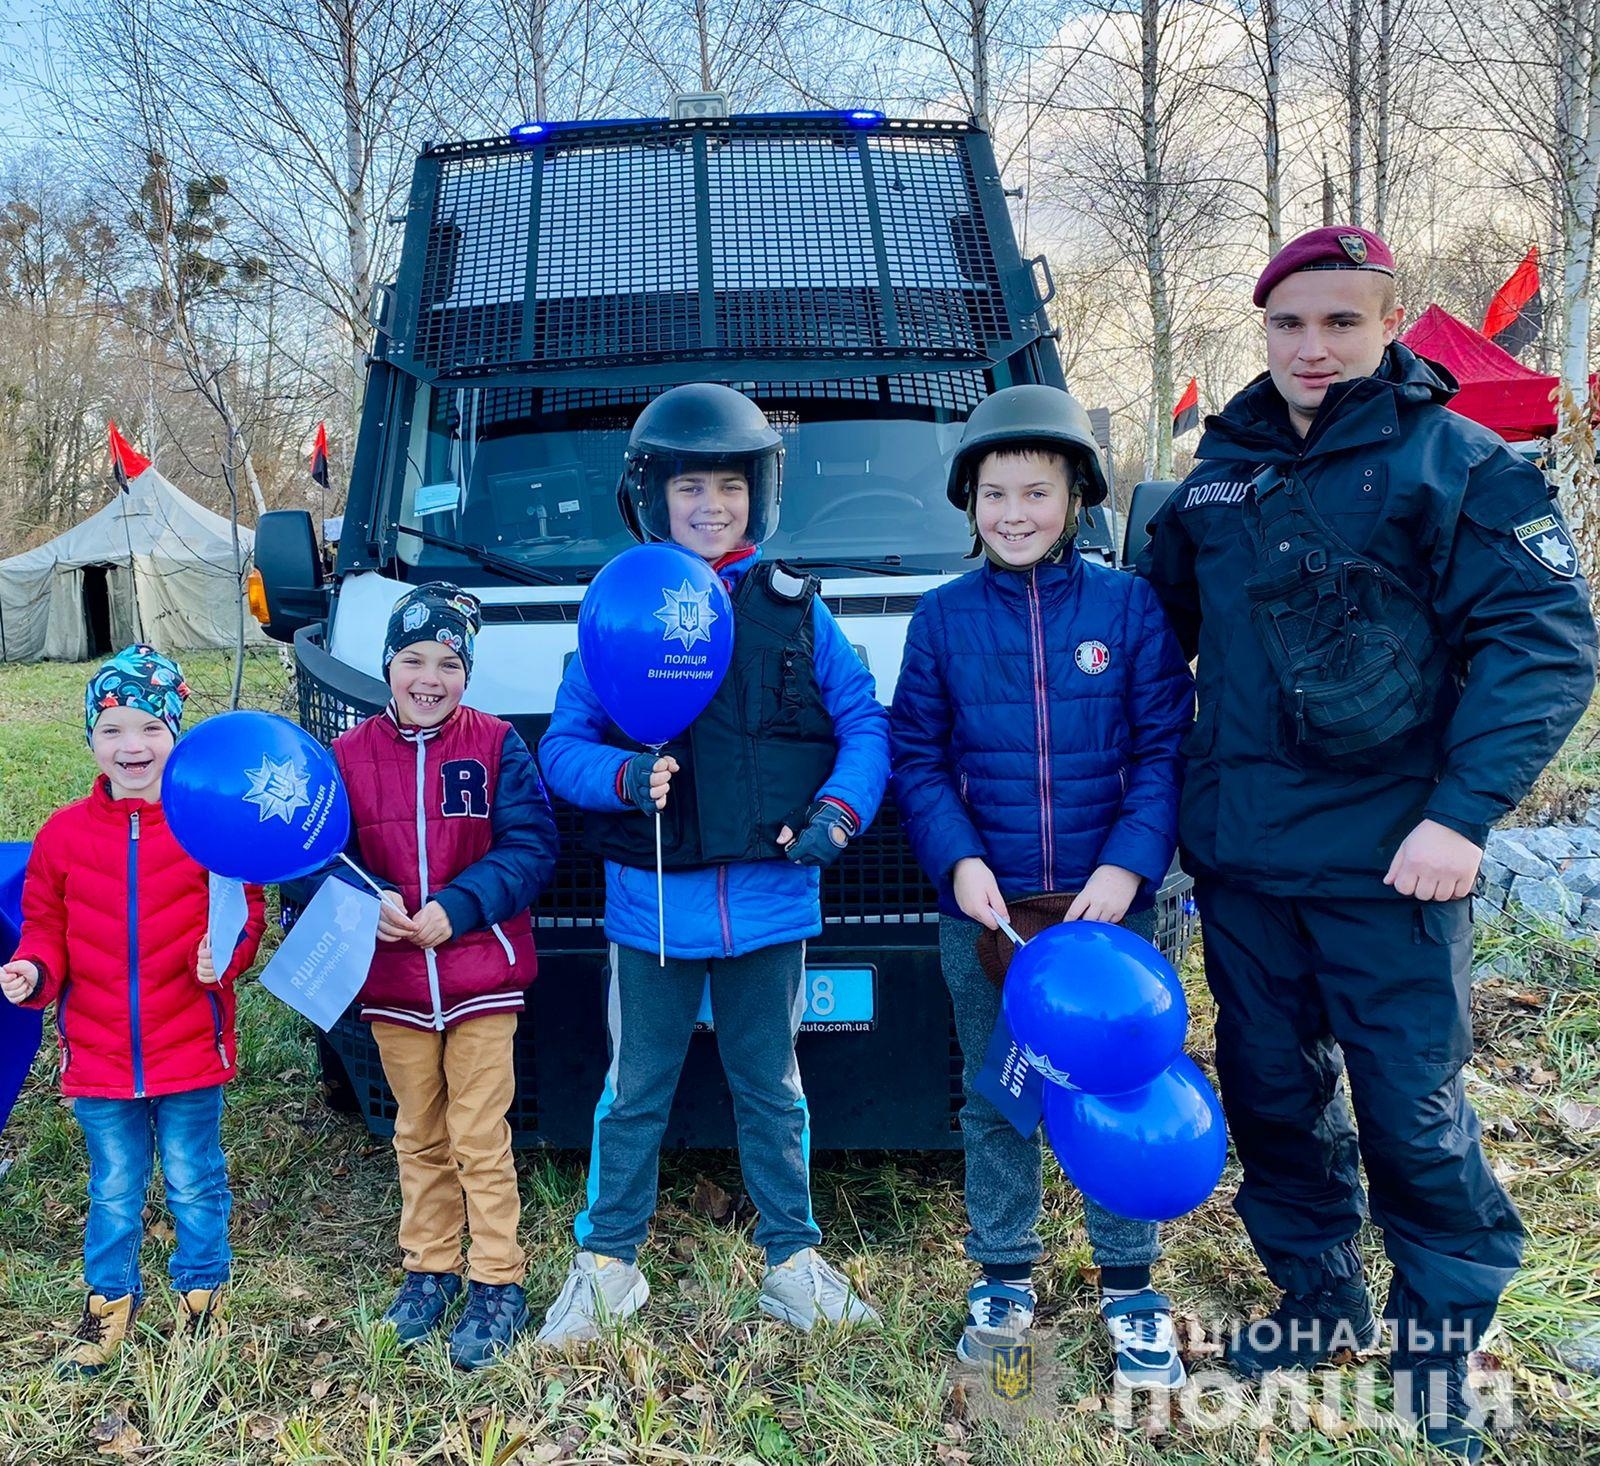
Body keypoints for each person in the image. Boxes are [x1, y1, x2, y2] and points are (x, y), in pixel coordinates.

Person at [1138, 225, 1598, 1459]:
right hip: (1243, 864)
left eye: (1341, 322)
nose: (1313, 347)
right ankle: (1316, 1293)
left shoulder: (1450, 463)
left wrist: (1460, 812)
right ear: (1263, 331)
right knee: (1272, 1095)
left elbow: (1543, 642)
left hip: (1394, 863)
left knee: (1411, 1108)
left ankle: (1439, 1344)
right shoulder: (1217, 479)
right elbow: (1160, 639)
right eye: (1289, 323)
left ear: (1387, 325)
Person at [536, 383, 891, 1343]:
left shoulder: (798, 612)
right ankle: (608, 1264)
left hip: (772, 905)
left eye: (729, 487)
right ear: (655, 496)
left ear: (759, 495)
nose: (710, 505)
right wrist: (621, 775)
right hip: (652, 913)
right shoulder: (617, 610)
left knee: (772, 1086)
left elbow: (862, 722)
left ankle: (793, 1260)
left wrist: (841, 811)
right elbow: (563, 749)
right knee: (634, 1089)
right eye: (690, 485)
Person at [889, 385, 1194, 1388]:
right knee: (1000, 1093)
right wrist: (960, 860)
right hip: (991, 918)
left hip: (1108, 913)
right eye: (992, 494)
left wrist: (1127, 861)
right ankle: (1004, 1271)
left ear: (1076, 498)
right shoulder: (938, 620)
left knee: (1119, 1083)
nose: (1013, 513)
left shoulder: (1129, 607)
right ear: (966, 502)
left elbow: (1161, 749)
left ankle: (1129, 1280)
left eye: (1035, 491)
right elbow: (919, 760)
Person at [291, 582, 558, 1369]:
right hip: (394, 984)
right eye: (413, 659)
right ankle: (430, 1269)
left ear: (467, 672)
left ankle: (498, 1279)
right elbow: (314, 862)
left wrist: (460, 905)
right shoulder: (345, 758)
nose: (429, 677)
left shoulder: (498, 744)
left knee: (479, 1132)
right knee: (418, 1132)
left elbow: (531, 848)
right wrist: (364, 903)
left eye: (448, 661)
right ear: (389, 665)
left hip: (480, 975)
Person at [0, 645, 266, 1374]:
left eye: (149, 727)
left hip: (188, 1047)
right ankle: (109, 1300)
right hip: (100, 1054)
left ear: (175, 734)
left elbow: (244, 909)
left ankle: (202, 1291)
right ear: (92, 737)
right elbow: (45, 926)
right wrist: (34, 969)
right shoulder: (62, 837)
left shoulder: (205, 824)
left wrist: (227, 955)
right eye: (114, 729)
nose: (132, 746)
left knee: (193, 1175)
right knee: (115, 1185)